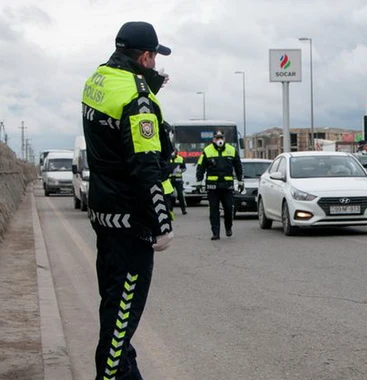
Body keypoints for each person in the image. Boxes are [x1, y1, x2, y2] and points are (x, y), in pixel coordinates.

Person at [81, 21, 173, 380]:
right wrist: (161, 224)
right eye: (153, 58)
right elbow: (145, 166)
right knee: (120, 327)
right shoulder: (138, 100)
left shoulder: (98, 79)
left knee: (114, 309)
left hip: (104, 213)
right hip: (132, 223)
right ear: (146, 56)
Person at [196, 130, 244, 240]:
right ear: (213, 139)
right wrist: (199, 183)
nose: (219, 140)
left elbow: (238, 167)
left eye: (221, 137)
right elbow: (200, 167)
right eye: (217, 138)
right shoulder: (207, 151)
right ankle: (215, 233)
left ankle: (228, 227)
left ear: (224, 139)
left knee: (228, 209)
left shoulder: (231, 150)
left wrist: (241, 182)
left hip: (227, 187)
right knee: (214, 211)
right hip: (213, 187)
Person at [169, 148, 187, 215]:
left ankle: (183, 210)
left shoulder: (180, 158)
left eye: (174, 151)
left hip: (178, 179)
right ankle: (170, 210)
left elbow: (184, 168)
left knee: (180, 195)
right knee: (170, 196)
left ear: (176, 152)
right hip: (170, 179)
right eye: (172, 151)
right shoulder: (168, 159)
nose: (173, 153)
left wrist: (180, 170)